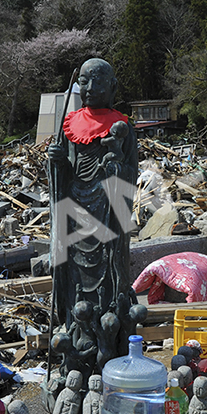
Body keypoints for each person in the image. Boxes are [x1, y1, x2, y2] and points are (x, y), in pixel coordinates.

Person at [48, 58, 147, 384]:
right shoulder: (68, 124)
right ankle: (77, 348)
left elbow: (132, 176)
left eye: (98, 82)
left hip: (108, 213)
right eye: (85, 82)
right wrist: (57, 164)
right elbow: (62, 174)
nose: (91, 89)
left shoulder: (122, 126)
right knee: (75, 281)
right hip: (75, 212)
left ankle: (110, 344)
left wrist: (116, 170)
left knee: (109, 279)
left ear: (113, 87)